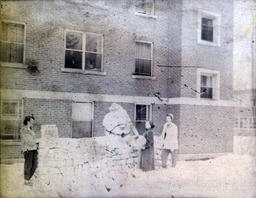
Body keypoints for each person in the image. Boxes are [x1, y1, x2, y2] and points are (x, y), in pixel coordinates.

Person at [20, 115, 38, 186]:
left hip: (34, 149)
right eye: (31, 121)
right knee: (28, 165)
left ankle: (29, 178)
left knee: (34, 164)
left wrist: (36, 143)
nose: (33, 123)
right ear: (28, 121)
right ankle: (26, 180)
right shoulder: (24, 130)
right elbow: (29, 141)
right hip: (28, 149)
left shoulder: (31, 129)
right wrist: (36, 142)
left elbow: (33, 140)